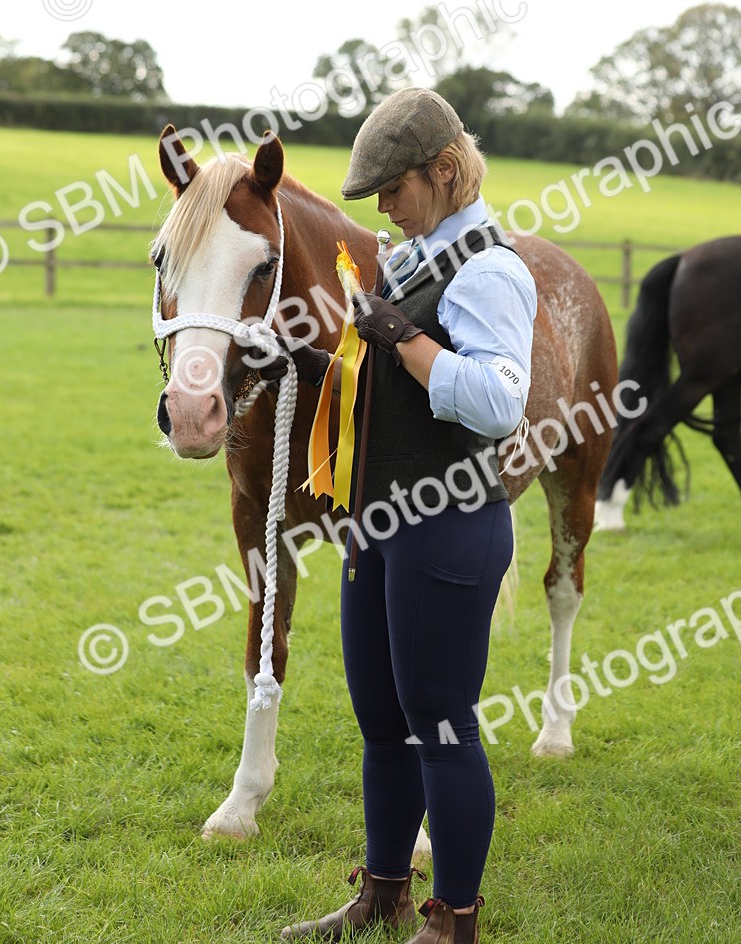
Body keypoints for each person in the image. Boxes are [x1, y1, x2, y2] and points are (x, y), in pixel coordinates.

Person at [267, 88, 537, 944]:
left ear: (444, 170)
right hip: (378, 526)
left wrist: (402, 336)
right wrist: (304, 360)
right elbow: (382, 384)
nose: (382, 206)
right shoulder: (415, 257)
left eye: (393, 188)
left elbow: (499, 403)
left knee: (443, 727)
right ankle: (382, 894)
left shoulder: (490, 270)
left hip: (448, 528)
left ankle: (455, 920)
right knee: (382, 724)